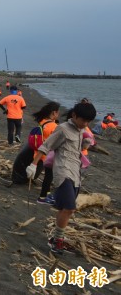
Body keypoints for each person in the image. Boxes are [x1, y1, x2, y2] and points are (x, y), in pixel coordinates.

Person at [26, 102, 96, 254]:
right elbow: (46, 145)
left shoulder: (81, 130)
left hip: (76, 173)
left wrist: (85, 144)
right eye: (83, 120)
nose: (85, 124)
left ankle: (57, 238)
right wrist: (33, 165)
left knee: (66, 209)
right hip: (63, 171)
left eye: (88, 122)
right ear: (74, 115)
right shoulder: (62, 129)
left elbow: (79, 149)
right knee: (69, 207)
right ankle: (57, 240)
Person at [29, 102, 60, 204]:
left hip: (39, 153)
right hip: (48, 155)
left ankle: (46, 194)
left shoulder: (43, 122)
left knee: (48, 175)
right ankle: (42, 197)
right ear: (54, 113)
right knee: (48, 177)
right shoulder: (54, 126)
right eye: (57, 112)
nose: (58, 114)